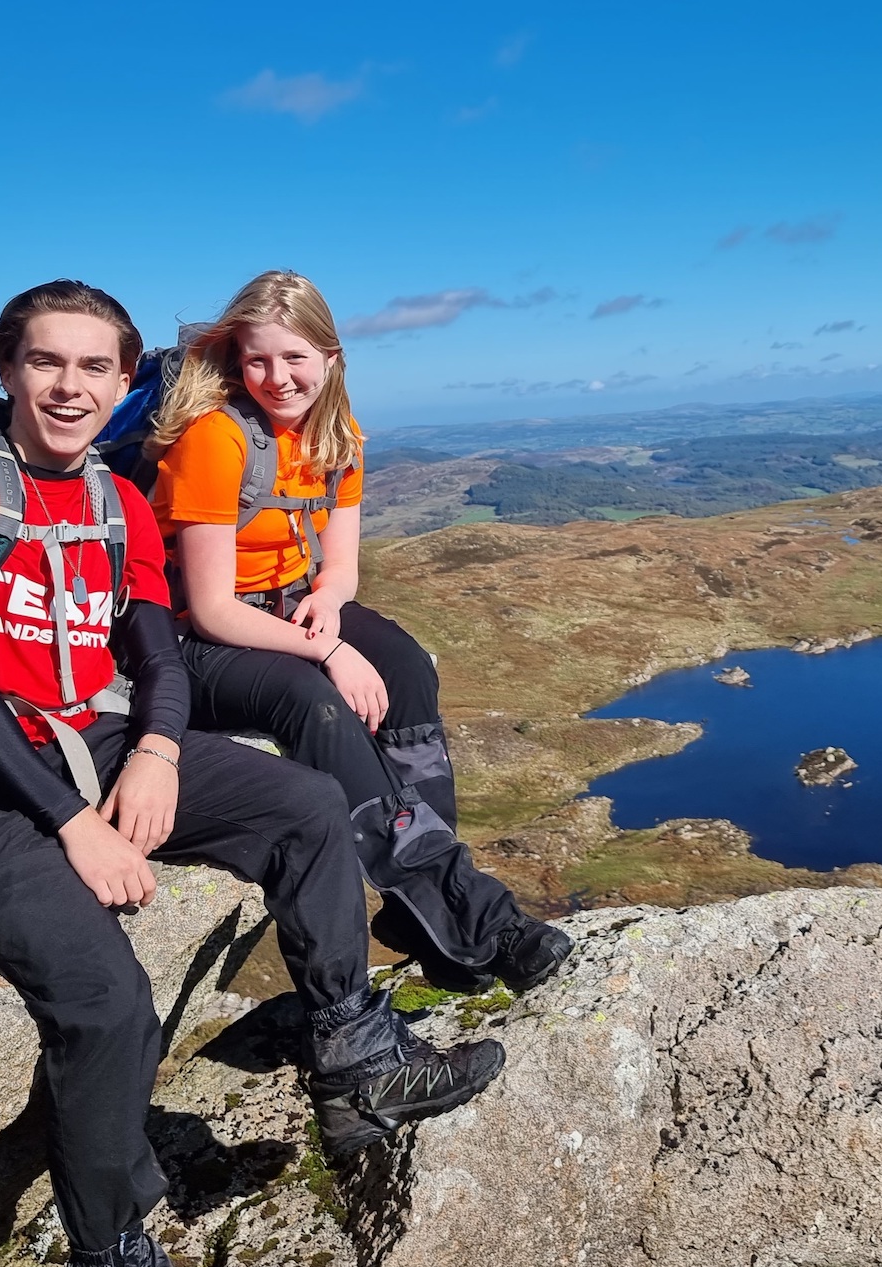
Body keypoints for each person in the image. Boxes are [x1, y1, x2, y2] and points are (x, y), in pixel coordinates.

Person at [0, 281, 503, 1267]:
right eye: (46, 362)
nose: (70, 387)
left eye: (94, 367)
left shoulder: (114, 501)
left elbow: (163, 661)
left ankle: (354, 1062)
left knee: (303, 808)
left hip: (104, 739)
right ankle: (109, 1256)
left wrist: (158, 755)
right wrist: (76, 824)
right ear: (6, 371)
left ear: (127, 380)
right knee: (107, 998)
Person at [147, 271, 572, 993]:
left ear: (332, 356)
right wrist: (329, 648)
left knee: (406, 667)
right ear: (235, 359)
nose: (276, 378)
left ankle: (420, 910)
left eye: (294, 358)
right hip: (196, 637)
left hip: (289, 603)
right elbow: (213, 608)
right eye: (257, 360)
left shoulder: (337, 439)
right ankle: (477, 917)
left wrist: (331, 608)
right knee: (313, 700)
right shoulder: (215, 440)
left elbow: (339, 568)